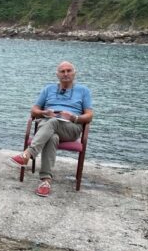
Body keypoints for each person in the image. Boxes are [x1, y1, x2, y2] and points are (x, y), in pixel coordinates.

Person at [7, 61, 93, 197]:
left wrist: (74, 117)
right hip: (48, 124)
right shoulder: (48, 89)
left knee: (52, 123)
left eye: (69, 71)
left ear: (74, 73)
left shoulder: (83, 91)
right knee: (52, 136)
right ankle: (45, 181)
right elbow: (34, 110)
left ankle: (27, 154)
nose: (66, 74)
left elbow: (89, 115)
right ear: (57, 75)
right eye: (62, 71)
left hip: (70, 127)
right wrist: (44, 113)